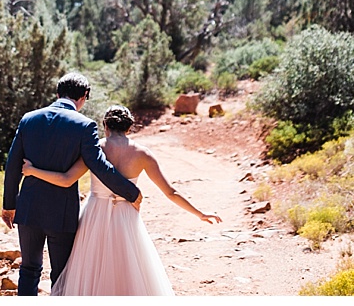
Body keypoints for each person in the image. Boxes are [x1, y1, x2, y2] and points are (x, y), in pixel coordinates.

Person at [22, 104, 222, 296]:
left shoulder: (95, 148)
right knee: (127, 270)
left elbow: (66, 180)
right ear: (129, 127)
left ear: (105, 126)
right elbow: (170, 192)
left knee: (90, 270)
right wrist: (200, 214)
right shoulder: (143, 154)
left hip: (94, 215)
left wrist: (32, 170)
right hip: (126, 217)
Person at [2, 73, 142, 296]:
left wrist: (9, 205)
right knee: (61, 272)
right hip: (62, 211)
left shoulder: (29, 119)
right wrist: (130, 192)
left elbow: (12, 165)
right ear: (84, 96)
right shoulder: (84, 125)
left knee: (29, 268)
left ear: (58, 93)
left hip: (29, 208)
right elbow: (99, 165)